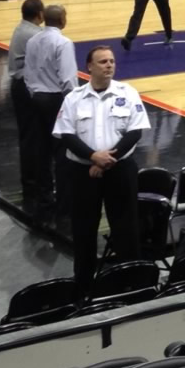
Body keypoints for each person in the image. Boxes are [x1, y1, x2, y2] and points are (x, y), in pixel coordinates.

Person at [53, 46, 147, 294]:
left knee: (126, 229)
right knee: (83, 231)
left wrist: (106, 161)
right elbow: (66, 134)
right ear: (90, 67)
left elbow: (135, 132)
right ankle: (83, 288)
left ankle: (133, 286)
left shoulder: (128, 93)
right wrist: (93, 157)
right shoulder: (73, 98)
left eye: (112, 61)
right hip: (82, 174)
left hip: (120, 170)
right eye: (103, 61)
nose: (109, 65)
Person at [23, 4, 77, 214]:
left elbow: (27, 73)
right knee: (62, 151)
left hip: (36, 98)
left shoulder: (32, 40)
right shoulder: (63, 42)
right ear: (63, 20)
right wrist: (74, 104)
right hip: (55, 100)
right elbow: (68, 79)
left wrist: (33, 93)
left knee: (41, 150)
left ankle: (45, 197)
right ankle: (65, 201)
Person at [7, 0, 45, 202]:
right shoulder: (35, 34)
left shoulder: (20, 28)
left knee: (28, 137)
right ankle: (34, 182)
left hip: (19, 85)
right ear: (39, 14)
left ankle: (31, 181)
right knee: (33, 138)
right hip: (27, 87)